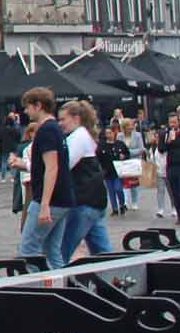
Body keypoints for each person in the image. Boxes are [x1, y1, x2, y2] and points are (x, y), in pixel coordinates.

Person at [12, 86, 72, 267]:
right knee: (51, 250)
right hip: (63, 198)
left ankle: (37, 291)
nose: (25, 111)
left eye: (27, 106)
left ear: (38, 106)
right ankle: (64, 286)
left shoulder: (46, 130)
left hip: (49, 200)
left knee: (28, 251)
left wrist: (44, 205)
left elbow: (51, 167)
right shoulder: (57, 129)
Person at [56, 101, 113, 261]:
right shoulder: (84, 135)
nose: (60, 124)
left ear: (76, 118)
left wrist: (28, 165)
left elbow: (63, 165)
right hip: (95, 200)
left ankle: (56, 282)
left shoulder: (78, 137)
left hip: (83, 200)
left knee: (61, 251)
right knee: (104, 253)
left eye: (62, 119)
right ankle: (116, 277)